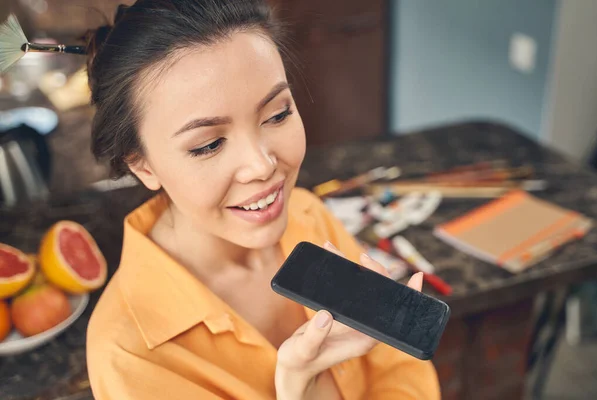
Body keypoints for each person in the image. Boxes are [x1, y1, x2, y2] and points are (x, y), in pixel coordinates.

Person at [85, 1, 441, 399]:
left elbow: (401, 372)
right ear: (143, 166)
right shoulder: (130, 354)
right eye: (209, 144)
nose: (261, 165)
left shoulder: (308, 214)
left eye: (277, 114)